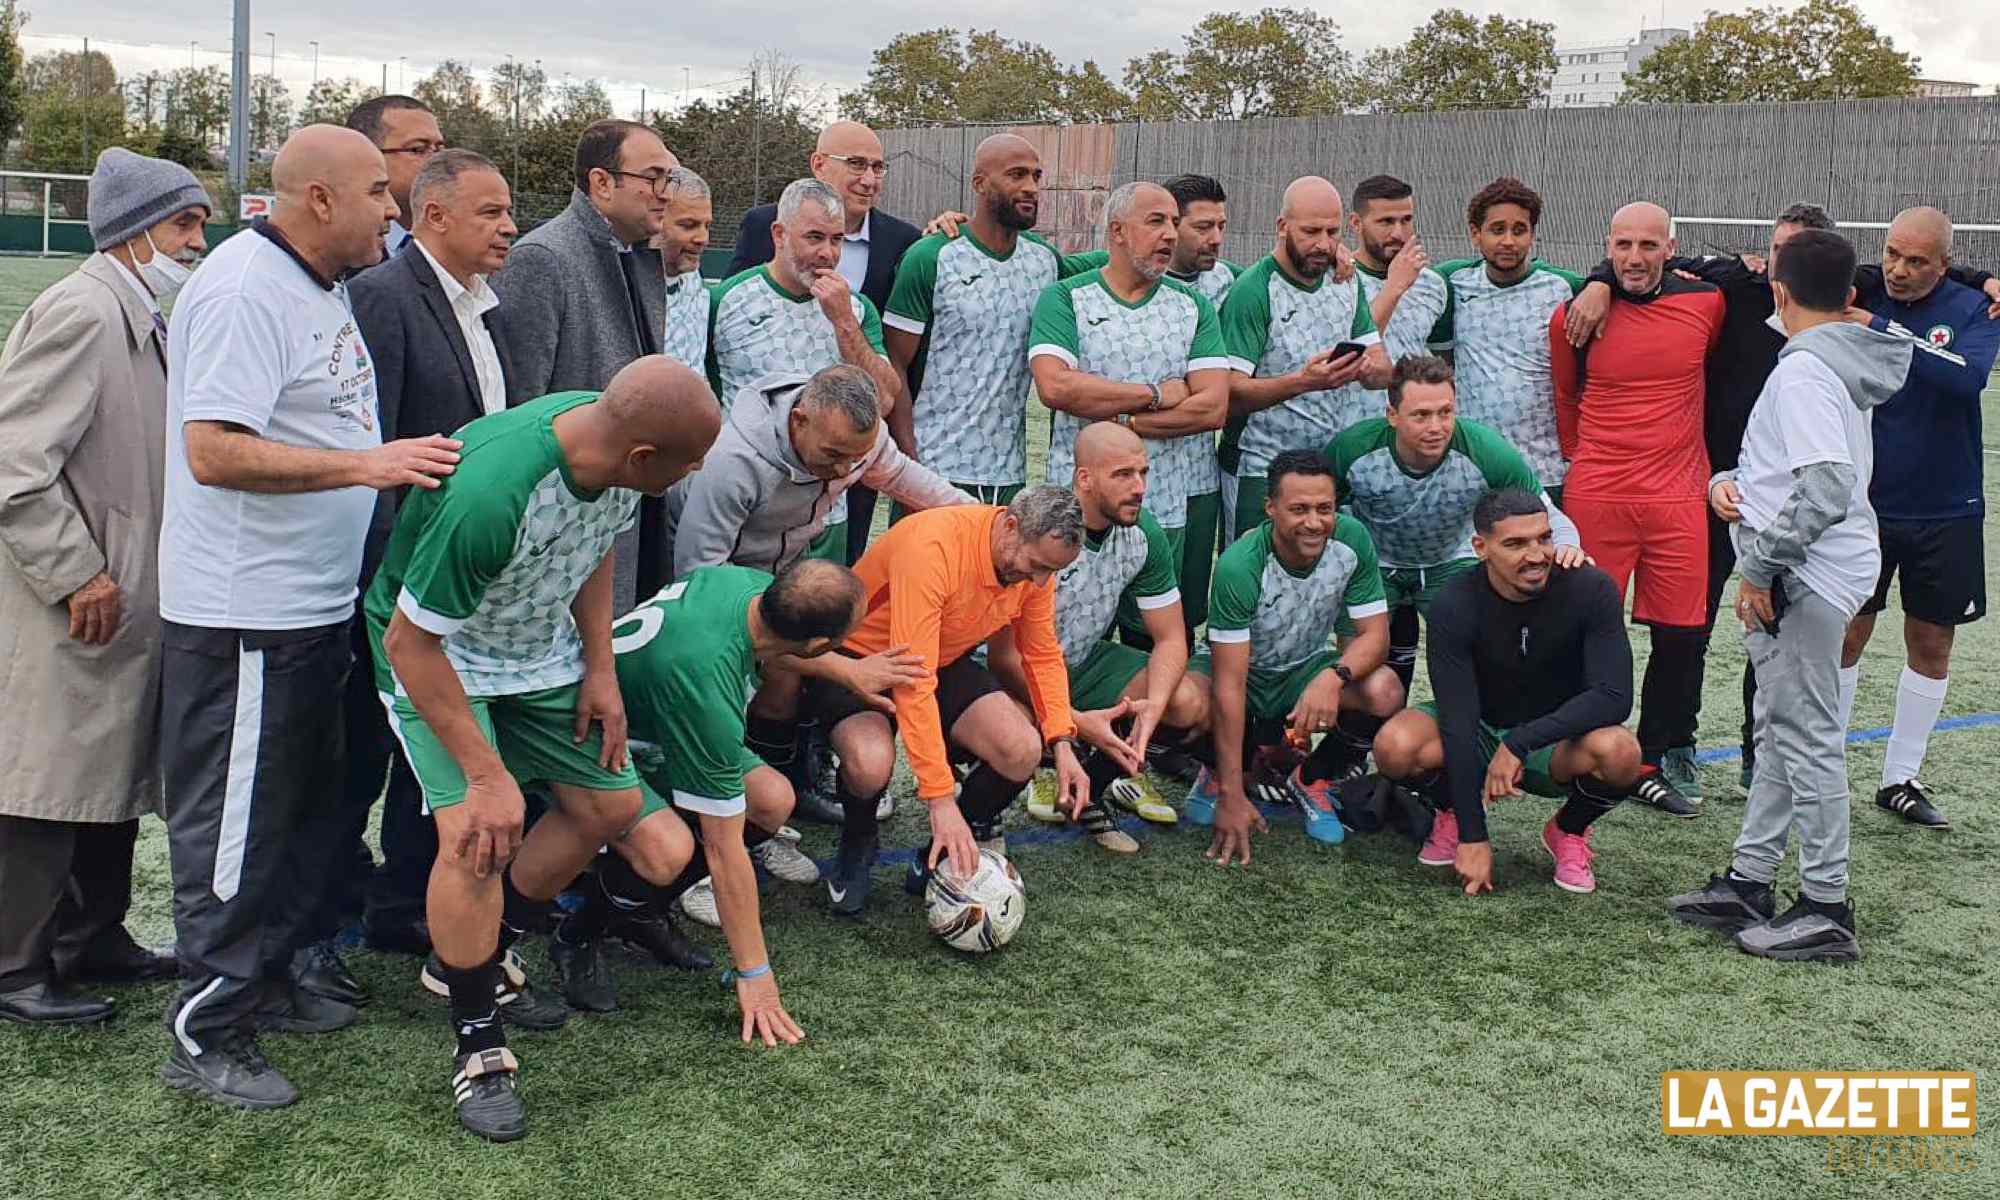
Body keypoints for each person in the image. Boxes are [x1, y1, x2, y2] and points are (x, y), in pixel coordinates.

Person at [156, 125, 457, 1110]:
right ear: (318, 198)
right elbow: (214, 450)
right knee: (237, 828)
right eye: (378, 188)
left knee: (299, 815)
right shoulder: (245, 288)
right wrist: (365, 466)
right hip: (245, 614)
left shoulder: (315, 285)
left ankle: (272, 978)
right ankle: (207, 1027)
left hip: (314, 608)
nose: (393, 207)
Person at [368, 357, 721, 1141]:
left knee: (611, 803)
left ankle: (483, 959)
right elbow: (410, 642)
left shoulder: (613, 447)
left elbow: (591, 546)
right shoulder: (494, 493)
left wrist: (600, 669)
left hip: (538, 648)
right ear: (641, 460)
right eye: (689, 463)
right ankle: (477, 1047)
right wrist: (488, 777)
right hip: (440, 654)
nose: (696, 473)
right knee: (476, 835)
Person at [1564, 205, 1996, 790]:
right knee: (1691, 626)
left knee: (1782, 629)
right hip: (1717, 489)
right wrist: (1597, 278)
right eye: (1776, 253)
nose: (1780, 268)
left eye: (1792, 258)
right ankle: (1672, 746)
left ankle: (1769, 756)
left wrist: (1975, 279)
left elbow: (1936, 306)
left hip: (1823, 510)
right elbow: (1646, 258)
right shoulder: (1736, 288)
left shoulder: (1848, 303)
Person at [0, 149, 208, 1026]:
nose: (198, 240)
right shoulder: (85, 309)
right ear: (131, 233)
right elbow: (14, 460)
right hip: (74, 598)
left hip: (116, 597)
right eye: (183, 224)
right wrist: (76, 569)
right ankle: (14, 968)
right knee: (47, 784)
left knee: (106, 774)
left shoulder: (136, 309)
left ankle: (95, 939)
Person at [1670, 228, 1910, 962]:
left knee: (1805, 738)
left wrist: (1762, 567)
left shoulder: (1804, 369)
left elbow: (1827, 485)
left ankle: (1826, 904)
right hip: (1813, 569)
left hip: (1802, 577)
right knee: (1780, 729)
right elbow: (1792, 471)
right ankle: (1750, 878)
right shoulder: (1833, 359)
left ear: (1777, 289)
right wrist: (1727, 487)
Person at [337, 149, 519, 966]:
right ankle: (367, 905)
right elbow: (368, 444)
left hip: (461, 571)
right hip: (397, 572)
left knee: (436, 741)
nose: (510, 226)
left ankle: (412, 898)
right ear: (433, 216)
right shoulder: (381, 297)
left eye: (508, 210)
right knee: (380, 745)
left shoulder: (491, 305)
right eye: (490, 212)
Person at [545, 559, 860, 1025]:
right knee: (666, 853)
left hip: (658, 716)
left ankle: (638, 909)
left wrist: (857, 673)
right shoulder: (707, 687)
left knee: (772, 799)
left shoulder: (744, 585)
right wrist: (756, 973)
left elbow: (777, 649)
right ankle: (578, 934)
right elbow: (723, 849)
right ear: (817, 645)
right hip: (590, 740)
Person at [663, 362, 961, 830]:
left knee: (786, 676)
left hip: (781, 570)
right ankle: (707, 809)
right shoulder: (732, 462)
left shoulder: (854, 439)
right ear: (798, 420)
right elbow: (699, 581)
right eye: (834, 455)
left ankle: (781, 797)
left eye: (855, 458)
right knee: (729, 689)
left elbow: (904, 478)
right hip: (714, 579)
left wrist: (981, 519)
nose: (845, 469)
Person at [814, 488, 1094, 915]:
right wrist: (938, 799)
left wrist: (1063, 741)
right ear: (1012, 526)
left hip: (938, 658)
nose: (1039, 582)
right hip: (861, 658)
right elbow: (914, 680)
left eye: (1050, 572)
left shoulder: (1037, 565)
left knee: (1021, 750)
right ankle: (859, 836)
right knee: (871, 763)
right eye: (1037, 567)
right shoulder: (934, 548)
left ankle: (940, 851)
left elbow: (1040, 652)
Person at [1372, 489, 1642, 896]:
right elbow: (1459, 720)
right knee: (1395, 745)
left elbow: (1614, 696)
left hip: (1554, 740)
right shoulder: (1455, 602)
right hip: (1479, 726)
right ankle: (1453, 812)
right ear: (1481, 548)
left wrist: (1519, 742)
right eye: (1515, 544)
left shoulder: (1591, 588)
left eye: (1543, 539)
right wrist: (1473, 835)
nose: (1535, 555)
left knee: (1622, 753)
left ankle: (1567, 830)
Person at [1549, 202, 1724, 817]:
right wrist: (1586, 460)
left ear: (1670, 248)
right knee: (1586, 626)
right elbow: (1566, 394)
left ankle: (1653, 758)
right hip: (1599, 492)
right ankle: (1582, 747)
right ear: (1608, 245)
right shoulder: (1575, 315)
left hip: (1677, 496)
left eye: (1648, 245)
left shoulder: (1707, 304)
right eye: (1622, 245)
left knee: (1680, 634)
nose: (1634, 258)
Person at [1839, 207, 2000, 830]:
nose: (1898, 271)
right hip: (1867, 505)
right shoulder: (1866, 284)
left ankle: (1899, 778)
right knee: (1847, 634)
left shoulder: (1972, 310)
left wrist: (1878, 326)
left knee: (1931, 643)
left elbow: (1966, 381)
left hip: (1947, 507)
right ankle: (1823, 763)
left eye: (1916, 262)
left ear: (1944, 264)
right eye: (1891, 255)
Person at [990, 423, 1209, 845]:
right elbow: (1003, 658)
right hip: (1012, 670)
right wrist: (1066, 721)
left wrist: (1152, 711)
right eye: (1123, 475)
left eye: (1143, 473)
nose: (1140, 487)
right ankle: (983, 816)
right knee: (1012, 733)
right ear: (1084, 479)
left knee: (1182, 702)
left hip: (1082, 661)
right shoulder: (1037, 527)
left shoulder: (1144, 532)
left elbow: (1170, 638)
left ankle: (1089, 789)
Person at [492, 118, 677, 606]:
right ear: (601, 182)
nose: (665, 193)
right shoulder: (542, 259)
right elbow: (520, 408)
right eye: (654, 177)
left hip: (622, 512)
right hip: (562, 531)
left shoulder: (638, 255)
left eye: (670, 180)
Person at [1030, 180, 1231, 622]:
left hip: (1163, 504)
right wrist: (1156, 394)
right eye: (1156, 221)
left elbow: (1212, 406)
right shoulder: (1066, 298)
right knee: (1070, 634)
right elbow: (1057, 388)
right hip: (1079, 504)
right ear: (1118, 231)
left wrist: (1121, 421)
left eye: (1175, 223)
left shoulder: (1194, 306)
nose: (1171, 235)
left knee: (1154, 636)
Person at [1324, 356, 1584, 694]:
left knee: (1485, 660)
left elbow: (1546, 511)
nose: (1436, 427)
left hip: (1449, 560)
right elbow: (1318, 510)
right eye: (1421, 415)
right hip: (1375, 566)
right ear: (1392, 415)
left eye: (1445, 413)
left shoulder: (1484, 449)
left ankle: (1469, 736)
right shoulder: (1354, 448)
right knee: (1358, 677)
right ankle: (1356, 745)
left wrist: (1569, 545)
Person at [1193, 452, 1404, 864]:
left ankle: (1311, 778)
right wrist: (1235, 797)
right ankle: (1218, 776)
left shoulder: (1352, 540)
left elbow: (1374, 638)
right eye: (1299, 509)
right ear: (1270, 508)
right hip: (1242, 673)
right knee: (1185, 703)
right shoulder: (1240, 565)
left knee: (1385, 690)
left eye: (1324, 509)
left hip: (1303, 668)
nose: (1313, 522)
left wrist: (1333, 677)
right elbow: (1230, 685)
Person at [728, 120, 924, 564]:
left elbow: (892, 360)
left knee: (838, 564)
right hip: (767, 454)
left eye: (878, 167)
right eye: (856, 164)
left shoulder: (904, 241)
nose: (869, 179)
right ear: (818, 165)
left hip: (854, 437)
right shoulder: (762, 225)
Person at [883, 134, 1069, 512]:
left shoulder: (1046, 262)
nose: (1031, 187)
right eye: (1016, 175)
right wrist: (910, 460)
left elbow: (1112, 271)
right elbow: (895, 363)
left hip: (1010, 476)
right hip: (934, 469)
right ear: (979, 183)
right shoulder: (931, 256)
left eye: (1036, 176)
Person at [1218, 176, 1389, 544]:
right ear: (1282, 227)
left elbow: (1378, 361)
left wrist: (1370, 369)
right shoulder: (1254, 290)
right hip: (1259, 467)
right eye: (1311, 231)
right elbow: (1227, 393)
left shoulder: (1345, 280)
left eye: (1333, 232)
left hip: (1326, 469)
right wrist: (1303, 381)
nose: (1324, 244)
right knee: (1255, 579)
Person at [1430, 178, 1581, 498]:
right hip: (1473, 466)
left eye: (1519, 229)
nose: (1509, 241)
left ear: (1533, 234)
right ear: (1475, 234)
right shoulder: (1453, 281)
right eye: (1497, 229)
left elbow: (1619, 285)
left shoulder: (1564, 287)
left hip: (1545, 467)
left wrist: (1601, 285)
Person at [1347, 175, 1452, 366]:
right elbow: (1349, 351)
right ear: (1356, 223)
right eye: (1386, 222)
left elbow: (1442, 361)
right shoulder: (1337, 280)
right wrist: (1394, 287)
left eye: (1406, 220)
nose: (1398, 233)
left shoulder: (1433, 283)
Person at [345, 94, 444, 258]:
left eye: (439, 149)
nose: (437, 161)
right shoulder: (340, 256)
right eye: (418, 149)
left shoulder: (459, 248)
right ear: (367, 155)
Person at [656, 166, 713, 372]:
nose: (702, 239)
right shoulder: (623, 287)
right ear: (655, 220)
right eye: (689, 225)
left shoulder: (694, 282)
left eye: (707, 226)